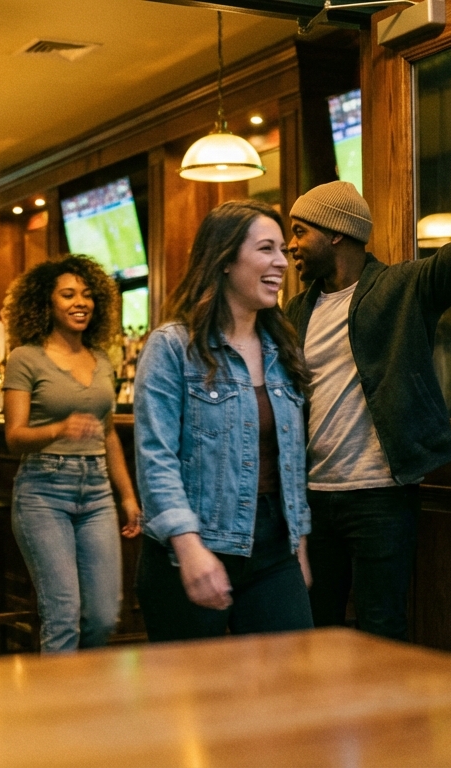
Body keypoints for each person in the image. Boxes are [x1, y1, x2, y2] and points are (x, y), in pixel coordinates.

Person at [284, 83, 451, 639]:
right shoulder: (294, 311)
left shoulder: (403, 288)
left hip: (381, 496)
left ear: (336, 235)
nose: (290, 246)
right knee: (313, 631)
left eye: (299, 232)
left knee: (382, 630)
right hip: (312, 500)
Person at [133, 200, 314, 639]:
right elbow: (156, 457)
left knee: (290, 689)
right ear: (226, 260)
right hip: (192, 550)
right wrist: (188, 547)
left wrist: (299, 545)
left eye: (282, 251)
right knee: (194, 702)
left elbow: (291, 458)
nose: (281, 262)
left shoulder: (281, 348)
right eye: (266, 249)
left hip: (274, 551)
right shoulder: (173, 347)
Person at [1, 256, 142, 652]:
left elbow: (109, 433)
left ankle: (86, 699)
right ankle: (58, 711)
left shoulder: (101, 360)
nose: (81, 302)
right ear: (47, 303)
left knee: (102, 616)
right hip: (43, 491)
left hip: (96, 491)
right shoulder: (25, 358)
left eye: (87, 295)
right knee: (62, 617)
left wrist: (127, 496)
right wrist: (58, 429)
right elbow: (14, 437)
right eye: (68, 294)